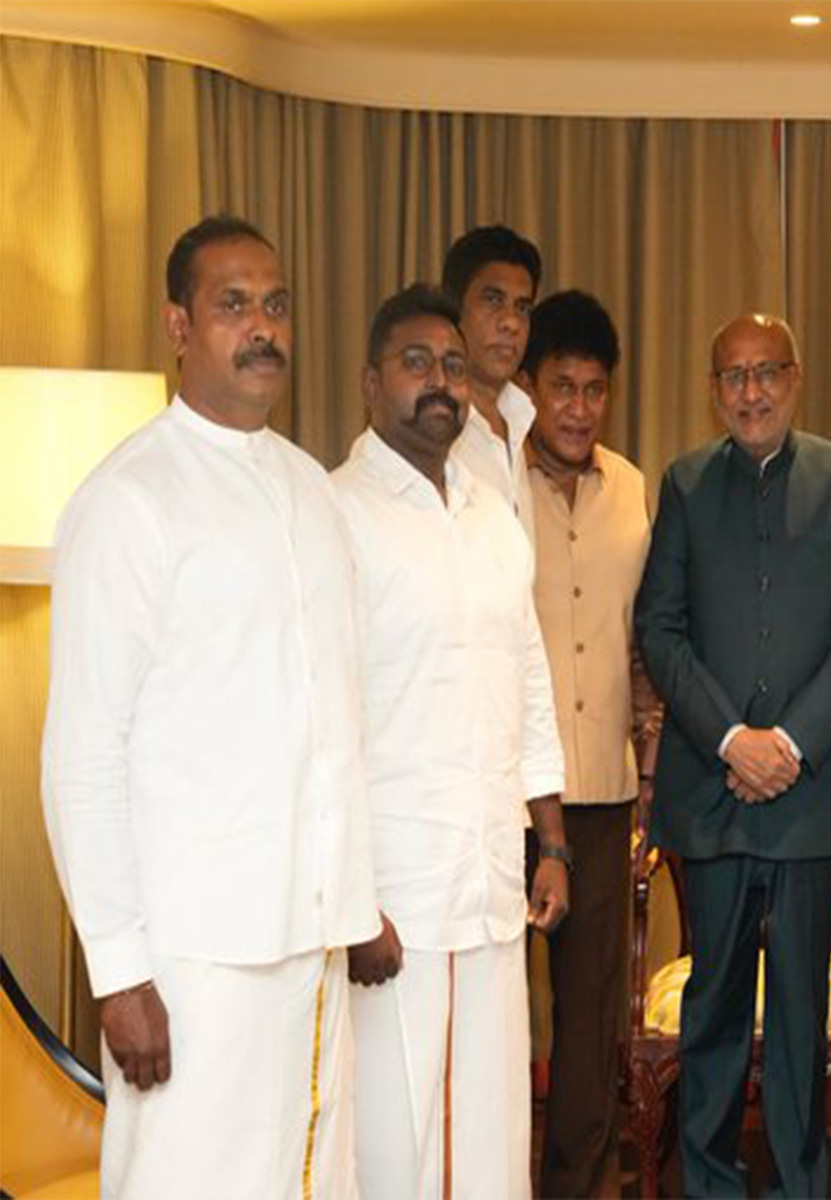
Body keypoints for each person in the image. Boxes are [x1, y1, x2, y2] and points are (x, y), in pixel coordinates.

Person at [40, 215, 380, 1198]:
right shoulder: (127, 500)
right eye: (233, 305)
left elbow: (334, 721)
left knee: (311, 1181)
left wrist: (355, 898)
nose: (261, 327)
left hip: (309, 937)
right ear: (178, 325)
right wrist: (118, 971)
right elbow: (83, 755)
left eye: (274, 305)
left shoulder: (313, 492)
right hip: (191, 957)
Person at [635, 313, 831, 1197]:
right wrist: (730, 741)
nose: (750, 392)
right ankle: (708, 1182)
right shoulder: (684, 484)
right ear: (715, 390)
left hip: (812, 796)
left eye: (765, 373)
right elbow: (659, 630)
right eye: (732, 377)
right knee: (711, 1005)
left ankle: (797, 1186)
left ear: (794, 378)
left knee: (796, 1016)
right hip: (711, 794)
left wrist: (786, 743)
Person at [333, 283, 569, 1200]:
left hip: (489, 884)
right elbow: (324, 723)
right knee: (396, 1136)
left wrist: (549, 841)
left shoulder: (490, 512)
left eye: (453, 367)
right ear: (369, 381)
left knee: (492, 1128)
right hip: (394, 896)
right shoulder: (338, 512)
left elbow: (531, 678)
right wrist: (352, 901)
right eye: (416, 363)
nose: (439, 383)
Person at [522, 289, 661, 1199]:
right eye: (561, 386)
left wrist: (648, 770)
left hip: (604, 796)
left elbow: (644, 643)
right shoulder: (488, 484)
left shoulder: (633, 490)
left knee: (588, 1021)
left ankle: (580, 1186)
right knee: (498, 1012)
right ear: (530, 387)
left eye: (594, 390)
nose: (578, 408)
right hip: (505, 797)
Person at [444, 224, 542, 547]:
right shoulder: (432, 428)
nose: (511, 323)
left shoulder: (521, 420)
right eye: (493, 300)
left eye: (522, 308)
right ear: (455, 311)